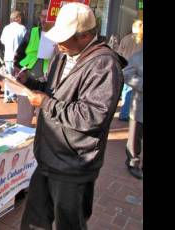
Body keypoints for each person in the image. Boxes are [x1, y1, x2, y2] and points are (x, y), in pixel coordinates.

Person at [19, 3, 126, 229]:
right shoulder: (63, 55)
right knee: (34, 219)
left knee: (69, 223)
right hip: (49, 153)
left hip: (74, 163)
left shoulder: (104, 63)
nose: (57, 45)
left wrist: (47, 103)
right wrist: (29, 82)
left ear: (84, 36)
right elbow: (53, 89)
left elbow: (92, 116)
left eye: (64, 38)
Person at [14, 7, 55, 127]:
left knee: (42, 119)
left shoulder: (58, 36)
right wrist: (16, 66)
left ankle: (38, 142)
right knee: (23, 117)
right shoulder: (32, 32)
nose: (43, 20)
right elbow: (19, 52)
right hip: (26, 78)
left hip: (45, 80)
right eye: (42, 16)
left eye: (47, 17)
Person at [117, 20, 143, 121]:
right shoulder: (141, 40)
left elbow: (119, 53)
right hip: (137, 70)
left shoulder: (125, 39)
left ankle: (124, 113)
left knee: (125, 91)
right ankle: (125, 114)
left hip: (126, 67)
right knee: (131, 94)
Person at [123, 48, 143, 179]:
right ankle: (132, 162)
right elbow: (127, 75)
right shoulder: (137, 57)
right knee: (134, 137)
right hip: (139, 106)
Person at [0, 11, 26, 103]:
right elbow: (25, 42)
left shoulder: (6, 28)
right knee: (16, 77)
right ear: (18, 18)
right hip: (17, 57)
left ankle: (7, 96)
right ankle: (13, 95)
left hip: (7, 56)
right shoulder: (22, 28)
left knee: (8, 76)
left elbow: (2, 41)